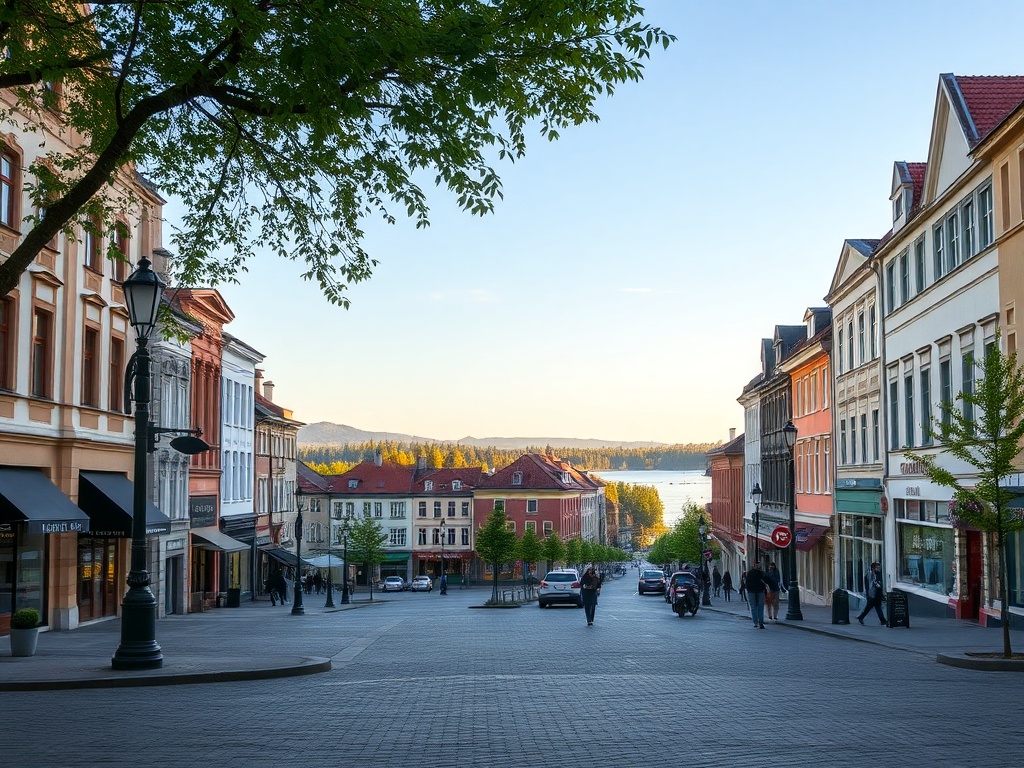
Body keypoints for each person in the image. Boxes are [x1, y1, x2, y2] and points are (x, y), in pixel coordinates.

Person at [745, 561, 769, 629]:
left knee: (753, 607)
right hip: (760, 591)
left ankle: (756, 622)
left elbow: (747, 583)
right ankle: (760, 622)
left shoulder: (750, 573)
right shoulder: (761, 573)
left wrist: (748, 589)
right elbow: (767, 580)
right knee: (760, 607)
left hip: (752, 591)